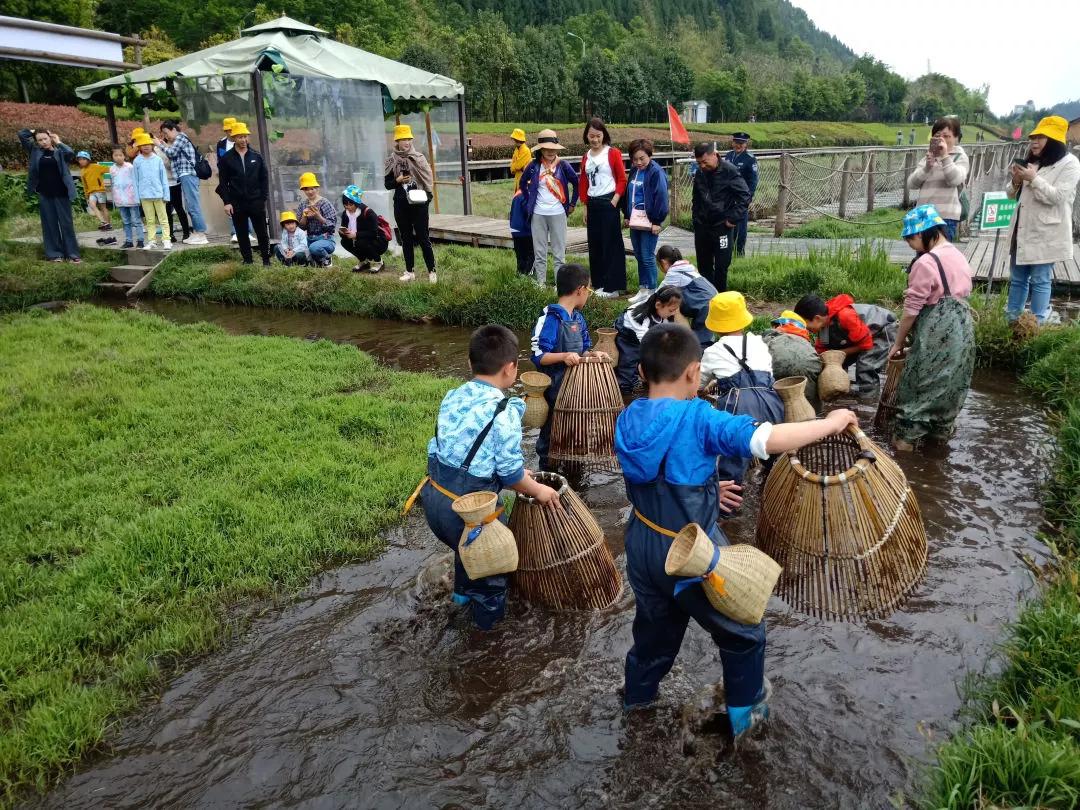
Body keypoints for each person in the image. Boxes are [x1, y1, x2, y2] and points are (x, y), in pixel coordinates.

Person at [615, 322, 858, 737]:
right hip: (692, 551)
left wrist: (709, 485)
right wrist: (831, 423)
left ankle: (635, 704)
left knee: (655, 634)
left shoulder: (629, 417)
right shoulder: (700, 418)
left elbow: (661, 474)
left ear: (640, 373)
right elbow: (768, 438)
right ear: (694, 372)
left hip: (642, 542)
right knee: (744, 631)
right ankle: (745, 720)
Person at [420, 324, 563, 630]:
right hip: (468, 513)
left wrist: (509, 474)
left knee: (466, 549)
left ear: (471, 364)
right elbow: (512, 475)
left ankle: (460, 598)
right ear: (511, 369)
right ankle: (484, 640)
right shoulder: (507, 410)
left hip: (434, 500)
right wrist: (538, 489)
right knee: (492, 577)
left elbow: (463, 453)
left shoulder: (454, 395)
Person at [889, 204, 975, 451]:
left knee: (919, 383)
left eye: (911, 239)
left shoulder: (925, 262)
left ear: (924, 233)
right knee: (950, 382)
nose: (910, 244)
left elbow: (911, 311)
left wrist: (898, 342)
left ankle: (903, 454)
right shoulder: (957, 254)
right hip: (963, 326)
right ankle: (938, 448)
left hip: (937, 329)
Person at [699, 291, 783, 485]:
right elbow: (761, 374)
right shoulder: (758, 342)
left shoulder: (713, 351)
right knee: (772, 450)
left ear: (715, 326)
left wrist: (706, 387)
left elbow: (698, 383)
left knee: (733, 456)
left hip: (738, 407)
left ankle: (730, 508)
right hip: (771, 401)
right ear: (744, 320)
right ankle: (771, 488)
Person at [1004, 115, 1080, 324]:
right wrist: (1017, 180)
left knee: (1040, 279)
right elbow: (1010, 194)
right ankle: (1012, 321)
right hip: (1022, 228)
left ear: (1054, 140)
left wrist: (1034, 179)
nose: (1034, 142)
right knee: (1018, 279)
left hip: (1047, 232)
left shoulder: (1070, 164)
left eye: (1040, 138)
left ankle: (1036, 324)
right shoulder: (1033, 161)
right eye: (1033, 138)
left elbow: (1058, 197)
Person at [531, 263, 604, 470]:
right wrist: (564, 356)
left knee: (576, 433)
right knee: (551, 434)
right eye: (589, 290)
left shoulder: (578, 318)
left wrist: (593, 354)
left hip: (576, 390)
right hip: (554, 390)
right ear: (580, 290)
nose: (588, 295)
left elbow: (584, 350)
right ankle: (547, 472)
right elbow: (538, 356)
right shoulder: (550, 318)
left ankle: (573, 472)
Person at [795, 294, 898, 396]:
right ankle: (842, 389)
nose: (805, 329)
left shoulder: (845, 316)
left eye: (805, 325)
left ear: (817, 318)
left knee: (865, 366)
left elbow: (865, 345)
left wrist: (838, 354)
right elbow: (822, 351)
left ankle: (868, 399)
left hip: (882, 330)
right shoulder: (823, 326)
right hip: (862, 337)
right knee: (835, 361)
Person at [520, 129, 578, 287]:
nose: (551, 151)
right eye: (547, 148)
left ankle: (559, 286)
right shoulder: (533, 166)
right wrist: (529, 201)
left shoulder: (563, 166)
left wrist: (572, 203)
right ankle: (541, 283)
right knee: (540, 252)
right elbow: (522, 184)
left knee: (559, 253)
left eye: (553, 148)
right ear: (541, 149)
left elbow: (576, 182)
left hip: (558, 213)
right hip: (538, 214)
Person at [691, 142, 750, 292]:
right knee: (704, 266)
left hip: (721, 226)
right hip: (702, 226)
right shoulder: (700, 173)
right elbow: (696, 198)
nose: (702, 166)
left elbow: (744, 196)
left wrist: (732, 218)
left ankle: (721, 297)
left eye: (704, 162)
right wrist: (696, 218)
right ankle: (707, 298)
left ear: (714, 155)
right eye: (699, 163)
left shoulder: (729, 171)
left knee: (721, 266)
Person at [579, 117, 627, 298]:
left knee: (611, 244)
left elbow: (622, 179)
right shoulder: (586, 156)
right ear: (587, 136)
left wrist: (615, 199)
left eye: (598, 136)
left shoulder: (612, 153)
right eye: (591, 136)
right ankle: (598, 283)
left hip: (609, 202)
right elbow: (583, 181)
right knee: (595, 245)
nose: (595, 140)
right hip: (593, 203)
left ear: (604, 135)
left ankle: (612, 286)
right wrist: (585, 205)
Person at [385, 124, 436, 284]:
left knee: (423, 237)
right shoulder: (391, 160)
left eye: (408, 138)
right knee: (406, 238)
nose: (406, 142)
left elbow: (428, 180)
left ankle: (432, 271)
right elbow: (387, 184)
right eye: (403, 139)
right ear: (397, 141)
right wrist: (398, 181)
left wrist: (426, 200)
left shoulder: (418, 157)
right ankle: (409, 271)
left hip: (419, 203)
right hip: (401, 204)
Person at [19, 128, 80, 262]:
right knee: (49, 225)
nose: (43, 142)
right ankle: (55, 254)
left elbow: (70, 153)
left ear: (50, 138)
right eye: (39, 140)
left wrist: (58, 141)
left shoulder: (60, 152)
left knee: (66, 224)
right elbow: (22, 135)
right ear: (36, 142)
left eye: (45, 139)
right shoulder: (34, 151)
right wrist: (33, 131)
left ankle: (72, 254)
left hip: (62, 193)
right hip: (45, 194)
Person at [216, 122, 270, 266]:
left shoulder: (256, 156)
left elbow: (264, 178)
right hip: (236, 202)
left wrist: (263, 197)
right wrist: (227, 202)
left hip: (256, 200)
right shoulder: (226, 158)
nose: (243, 140)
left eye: (245, 136)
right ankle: (247, 260)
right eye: (240, 137)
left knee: (262, 232)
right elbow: (223, 182)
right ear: (234, 138)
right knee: (241, 232)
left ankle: (266, 260)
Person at [905, 117, 968, 242]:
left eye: (947, 136)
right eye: (938, 136)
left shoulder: (960, 157)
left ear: (956, 138)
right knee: (923, 256)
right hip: (923, 216)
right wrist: (927, 168)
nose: (942, 140)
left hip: (946, 217)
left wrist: (944, 156)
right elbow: (911, 184)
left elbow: (954, 180)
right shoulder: (927, 159)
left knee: (939, 256)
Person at [613, 285, 683, 395]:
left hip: (645, 335)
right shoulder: (640, 316)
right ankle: (624, 388)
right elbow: (646, 342)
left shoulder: (663, 314)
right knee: (629, 360)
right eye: (671, 310)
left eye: (675, 310)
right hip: (628, 336)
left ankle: (638, 378)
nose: (673, 313)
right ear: (658, 305)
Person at [623, 138, 669, 305]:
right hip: (635, 219)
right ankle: (643, 288)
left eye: (642, 158)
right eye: (634, 159)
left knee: (648, 255)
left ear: (650, 155)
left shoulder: (656, 172)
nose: (638, 162)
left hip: (650, 220)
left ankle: (651, 290)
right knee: (638, 254)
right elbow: (629, 194)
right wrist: (627, 215)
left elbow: (661, 197)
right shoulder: (635, 171)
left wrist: (657, 221)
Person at [655, 245, 719, 349]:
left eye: (659, 265)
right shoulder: (688, 267)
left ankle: (691, 347)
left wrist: (639, 307)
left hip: (704, 304)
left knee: (669, 303)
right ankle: (701, 342)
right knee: (705, 332)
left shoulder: (673, 272)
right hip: (714, 298)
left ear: (664, 263)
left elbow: (658, 295)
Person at [159, 120, 209, 244]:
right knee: (189, 205)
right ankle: (197, 232)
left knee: (193, 205)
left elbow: (171, 153)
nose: (166, 136)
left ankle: (201, 233)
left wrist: (160, 145)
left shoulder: (181, 137)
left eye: (166, 133)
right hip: (184, 176)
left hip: (188, 175)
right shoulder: (179, 139)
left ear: (173, 129)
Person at [762, 310, 823, 403]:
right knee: (808, 399)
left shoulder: (770, 336)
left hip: (775, 364)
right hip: (807, 365)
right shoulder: (806, 343)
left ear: (777, 326)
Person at [132, 133, 170, 250]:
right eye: (143, 145)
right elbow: (135, 180)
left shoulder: (157, 159)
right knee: (149, 220)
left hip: (158, 193)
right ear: (139, 147)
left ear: (152, 145)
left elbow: (163, 178)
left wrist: (166, 194)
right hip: (144, 195)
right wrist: (137, 197)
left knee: (163, 218)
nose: (146, 146)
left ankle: (166, 240)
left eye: (148, 144)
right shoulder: (137, 161)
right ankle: (152, 240)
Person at [339, 184, 388, 272]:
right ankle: (364, 261)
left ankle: (379, 262)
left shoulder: (368, 212)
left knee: (361, 242)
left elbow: (374, 233)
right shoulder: (345, 214)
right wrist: (343, 233)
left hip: (378, 241)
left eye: (351, 204)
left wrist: (356, 235)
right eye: (345, 204)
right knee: (344, 242)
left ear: (357, 202)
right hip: (358, 239)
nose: (348, 207)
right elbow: (344, 227)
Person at [723, 133, 758, 255]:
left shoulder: (749, 159)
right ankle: (727, 252)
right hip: (727, 198)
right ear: (732, 143)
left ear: (746, 144)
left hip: (741, 199)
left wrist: (748, 198)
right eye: (736, 143)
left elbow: (753, 181)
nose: (738, 145)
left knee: (740, 227)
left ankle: (739, 253)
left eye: (741, 143)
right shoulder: (728, 156)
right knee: (726, 225)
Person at [295, 172, 338, 268]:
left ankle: (327, 258)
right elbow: (300, 227)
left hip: (325, 238)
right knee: (297, 251)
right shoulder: (302, 205)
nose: (310, 192)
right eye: (306, 189)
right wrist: (304, 216)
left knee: (314, 248)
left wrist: (318, 216)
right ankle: (314, 261)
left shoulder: (325, 203)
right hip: (310, 238)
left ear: (317, 188)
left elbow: (332, 226)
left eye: (312, 188)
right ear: (303, 190)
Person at [109, 146, 144, 249]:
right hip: (120, 199)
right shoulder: (112, 169)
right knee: (125, 221)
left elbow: (135, 180)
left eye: (120, 155)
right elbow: (113, 183)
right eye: (116, 155)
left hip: (131, 198)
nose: (118, 157)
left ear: (124, 156)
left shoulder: (129, 167)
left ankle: (140, 240)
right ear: (112, 157)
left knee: (136, 220)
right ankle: (129, 240)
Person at [159, 138, 190, 244]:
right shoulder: (157, 149)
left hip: (174, 182)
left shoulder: (172, 148)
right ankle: (170, 234)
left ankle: (186, 233)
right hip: (163, 184)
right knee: (166, 211)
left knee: (179, 208)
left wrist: (166, 150)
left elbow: (169, 165)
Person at [76, 151, 111, 231]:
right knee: (92, 205)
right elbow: (84, 185)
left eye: (84, 159)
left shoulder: (96, 167)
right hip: (91, 192)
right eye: (80, 159)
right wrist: (86, 195)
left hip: (100, 190)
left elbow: (109, 169)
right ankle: (103, 222)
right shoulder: (82, 171)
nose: (82, 161)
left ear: (88, 159)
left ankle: (108, 224)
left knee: (103, 207)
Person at [509, 186, 533, 276]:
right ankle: (528, 275)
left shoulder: (517, 194)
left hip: (515, 230)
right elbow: (528, 212)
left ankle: (520, 274)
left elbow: (511, 213)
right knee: (531, 254)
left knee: (520, 255)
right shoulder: (528, 195)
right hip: (526, 230)